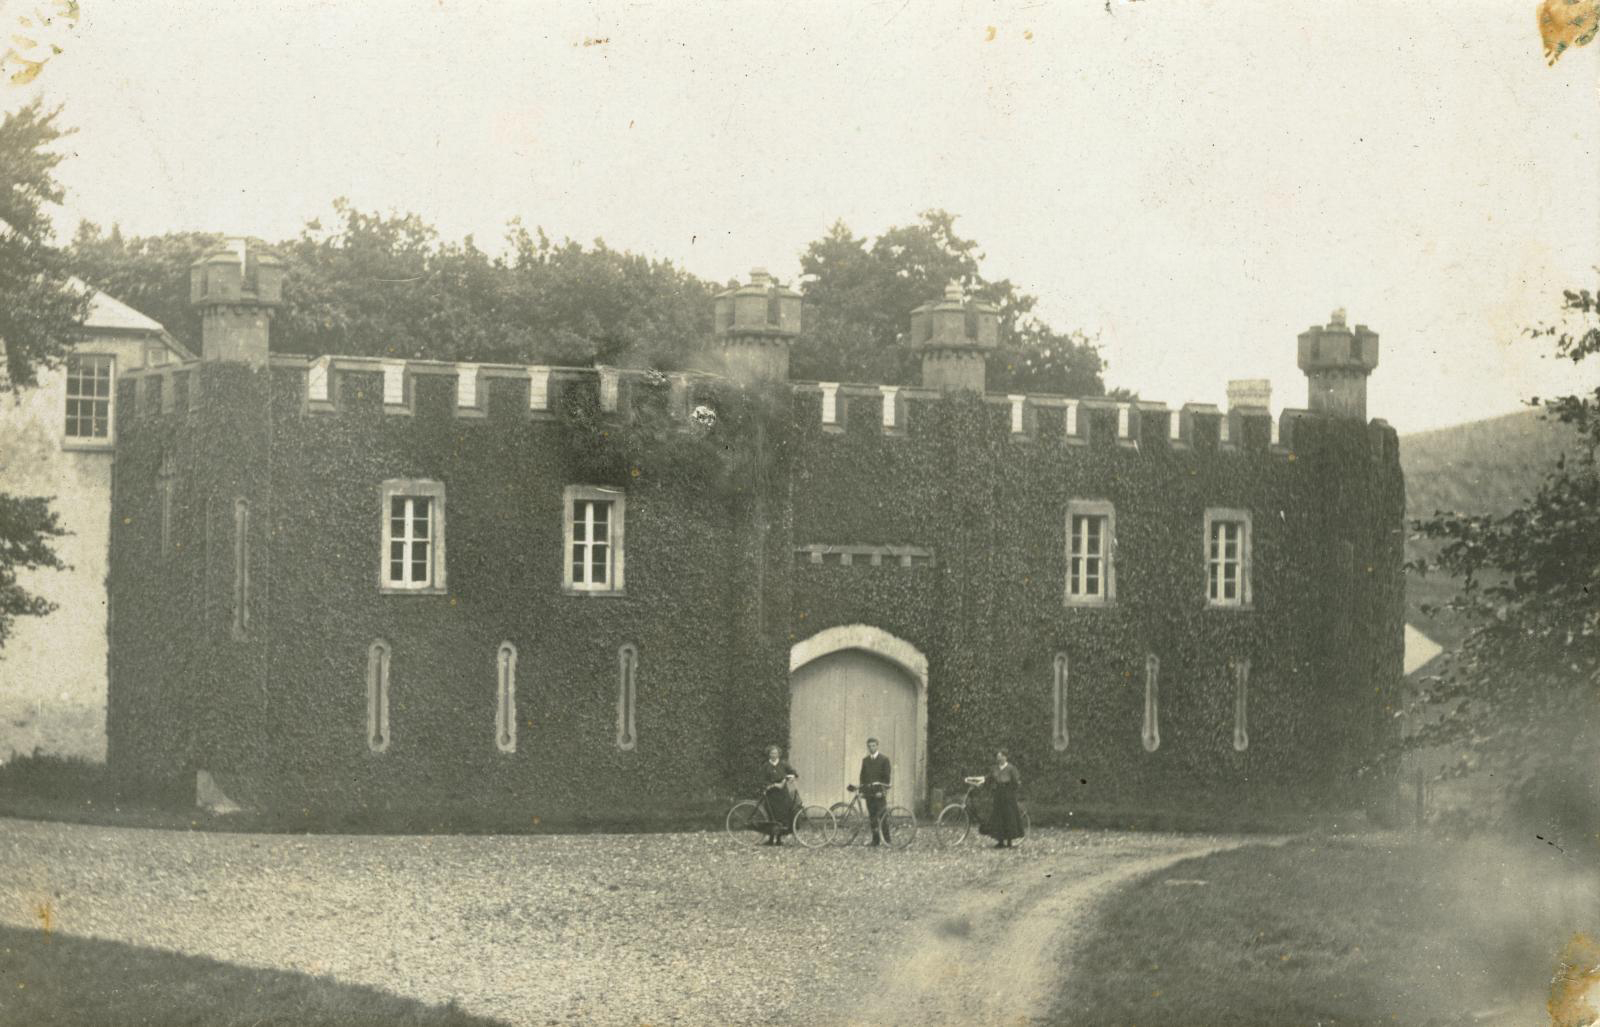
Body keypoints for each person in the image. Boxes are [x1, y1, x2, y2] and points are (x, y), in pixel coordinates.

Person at [757, 744, 801, 845]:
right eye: (772, 753)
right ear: (769, 754)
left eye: (776, 753)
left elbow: (794, 773)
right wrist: (772, 785)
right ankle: (771, 839)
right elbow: (762, 780)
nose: (774, 755)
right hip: (771, 795)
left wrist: (791, 777)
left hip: (782, 794)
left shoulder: (783, 764)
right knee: (771, 816)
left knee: (783, 815)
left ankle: (779, 839)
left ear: (779, 754)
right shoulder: (765, 766)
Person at [982, 749, 1025, 849]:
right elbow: (988, 778)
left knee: (1009, 817)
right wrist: (980, 781)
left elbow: (1016, 782)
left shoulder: (1011, 768)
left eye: (1001, 757)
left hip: (1008, 795)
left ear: (1005, 757)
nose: (999, 759)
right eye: (998, 757)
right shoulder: (995, 768)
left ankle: (1010, 841)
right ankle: (1000, 841)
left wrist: (1010, 791)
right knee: (998, 818)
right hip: (998, 795)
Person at [859, 737, 892, 846]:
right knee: (872, 818)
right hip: (869, 794)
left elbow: (886, 779)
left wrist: (882, 792)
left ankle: (888, 841)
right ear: (867, 747)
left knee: (883, 817)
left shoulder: (884, 760)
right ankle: (875, 840)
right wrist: (862, 791)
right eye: (869, 746)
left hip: (879, 794)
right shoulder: (865, 760)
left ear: (877, 746)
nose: (871, 748)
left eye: (873, 745)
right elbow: (862, 777)